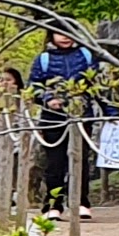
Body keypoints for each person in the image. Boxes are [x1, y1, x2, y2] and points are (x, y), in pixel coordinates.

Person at [28, 29, 96, 212]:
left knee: (80, 160)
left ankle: (81, 202)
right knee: (55, 163)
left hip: (82, 115)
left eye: (68, 32)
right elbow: (33, 86)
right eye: (59, 33)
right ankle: (53, 204)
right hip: (52, 118)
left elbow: (98, 86)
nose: (64, 37)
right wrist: (48, 99)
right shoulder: (43, 59)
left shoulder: (86, 55)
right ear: (51, 35)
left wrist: (111, 113)